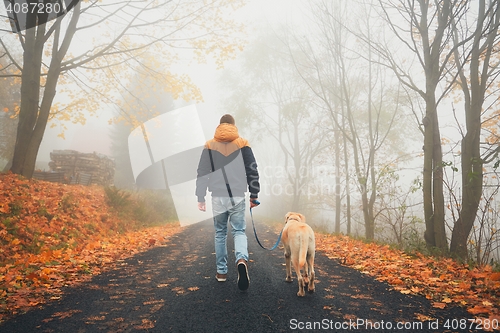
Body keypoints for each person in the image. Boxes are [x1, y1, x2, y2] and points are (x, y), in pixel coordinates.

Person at [196, 114, 260, 291]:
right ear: (233, 125)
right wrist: (254, 194)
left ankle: (221, 273)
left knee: (220, 233)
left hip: (217, 196)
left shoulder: (210, 145)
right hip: (238, 195)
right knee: (239, 231)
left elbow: (202, 171)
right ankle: (241, 260)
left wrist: (200, 197)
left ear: (220, 125)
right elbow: (252, 169)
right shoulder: (243, 143)